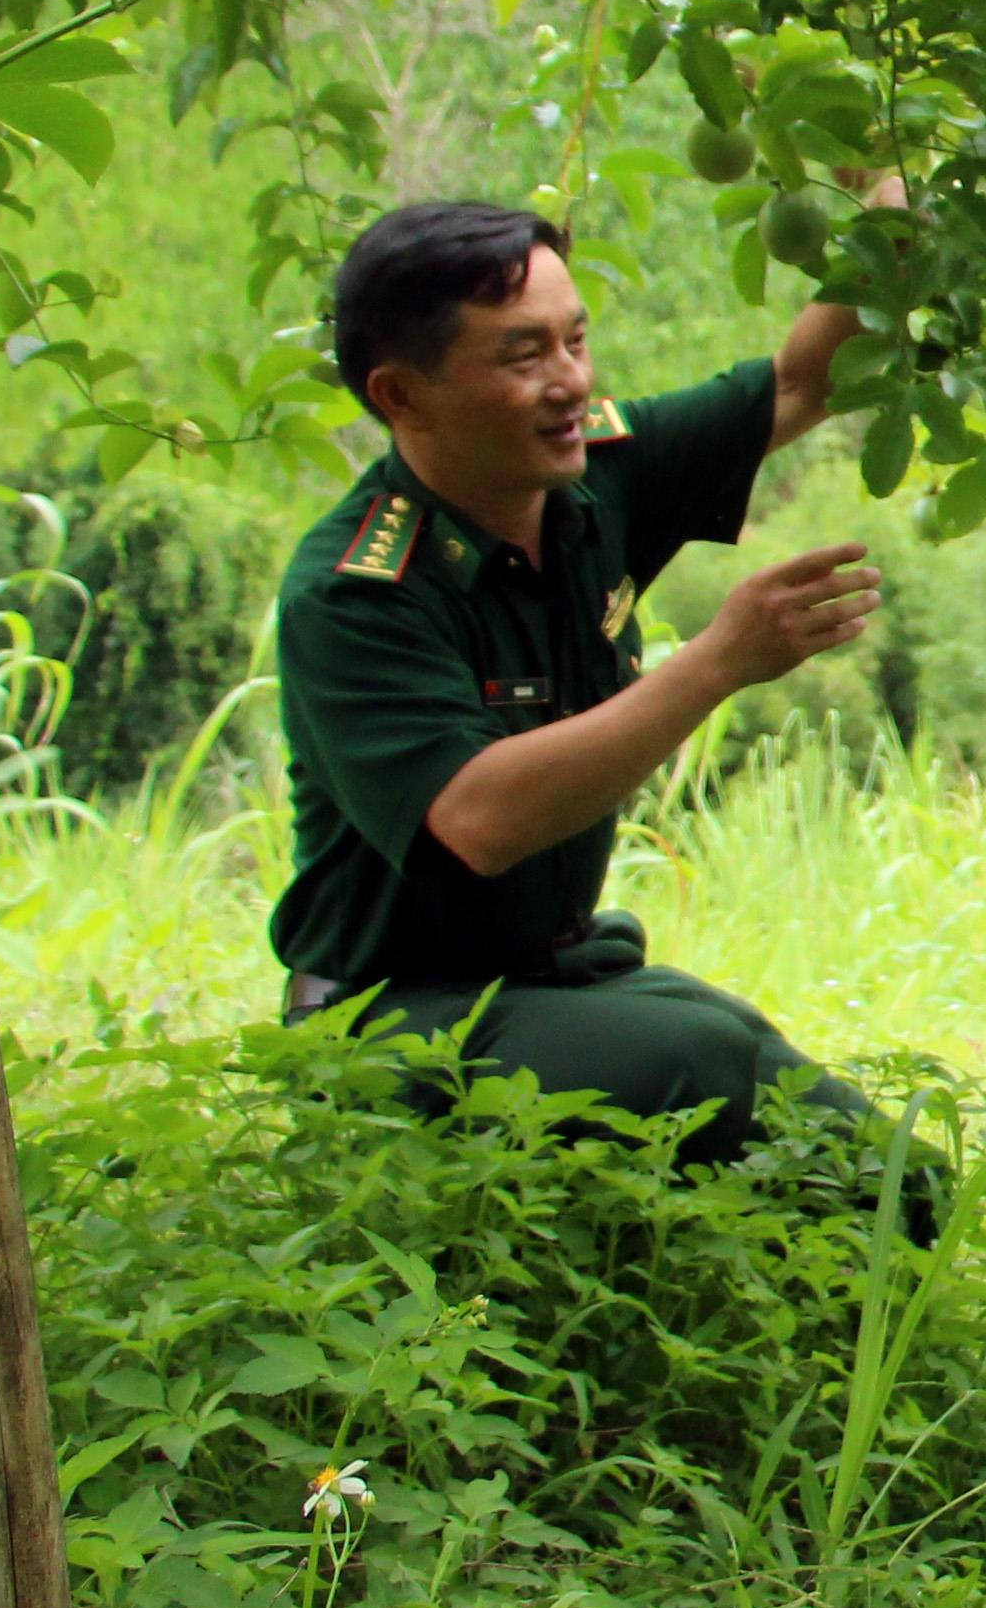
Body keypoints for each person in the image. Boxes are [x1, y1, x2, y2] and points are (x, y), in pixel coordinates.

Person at [268, 195, 886, 1163]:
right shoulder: (354, 593)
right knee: (695, 1057)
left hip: (550, 977)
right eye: (523, 356)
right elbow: (479, 819)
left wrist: (878, 182)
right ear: (401, 396)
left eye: (577, 341)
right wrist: (717, 663)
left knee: (866, 1159)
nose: (569, 382)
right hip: (390, 1021)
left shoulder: (595, 475)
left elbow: (809, 381)